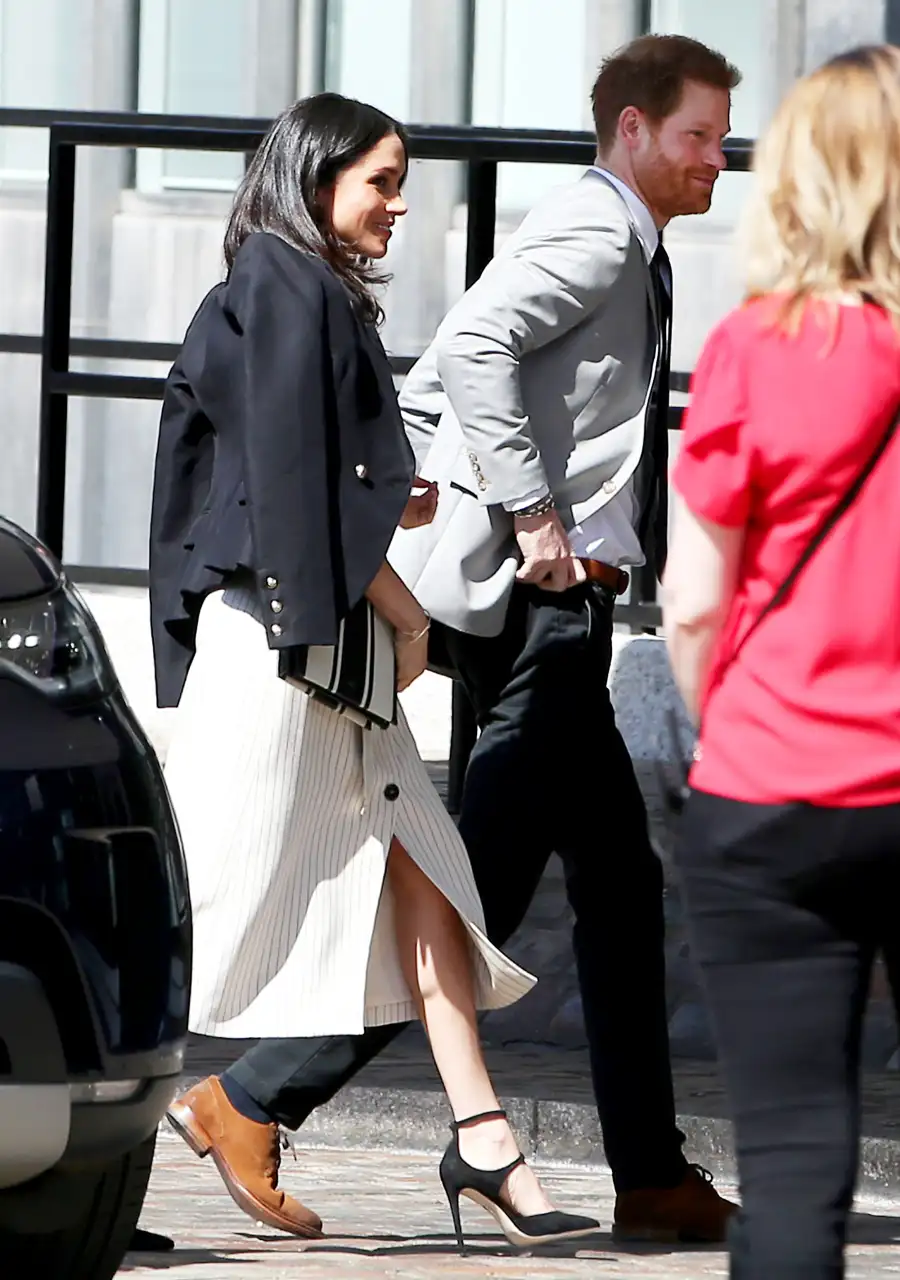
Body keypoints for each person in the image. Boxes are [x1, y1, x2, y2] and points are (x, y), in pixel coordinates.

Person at [174, 34, 740, 1244]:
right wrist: (531, 517)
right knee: (462, 878)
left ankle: (647, 1168)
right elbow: (471, 351)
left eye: (722, 136)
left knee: (616, 882)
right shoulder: (595, 230)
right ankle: (252, 1094)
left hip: (543, 601)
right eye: (696, 135)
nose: (717, 159)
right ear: (632, 132)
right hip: (528, 602)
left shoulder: (620, 236)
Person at [151, 92, 599, 1252]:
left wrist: (377, 493)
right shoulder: (288, 287)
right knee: (206, 906)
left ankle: (484, 1135)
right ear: (314, 181)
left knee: (427, 881)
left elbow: (274, 469)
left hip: (309, 646)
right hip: (296, 659)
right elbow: (287, 495)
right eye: (381, 182)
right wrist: (402, 618)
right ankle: (141, 1132)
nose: (401, 206)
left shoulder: (282, 286)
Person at [663, 44, 900, 1279]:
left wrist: (726, 733)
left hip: (774, 790)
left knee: (799, 1161)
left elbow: (694, 604)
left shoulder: (760, 347)